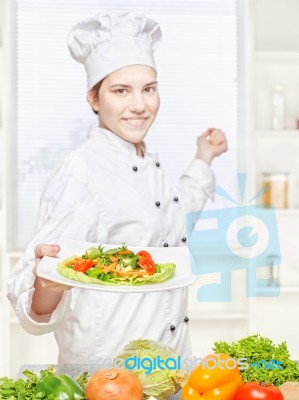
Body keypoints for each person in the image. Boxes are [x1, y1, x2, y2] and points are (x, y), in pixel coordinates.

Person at [7, 10, 227, 364]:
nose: (139, 105)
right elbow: (34, 302)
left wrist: (204, 158)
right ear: (94, 99)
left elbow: (172, 218)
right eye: (121, 91)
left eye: (149, 89)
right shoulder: (81, 174)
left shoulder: (145, 162)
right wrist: (46, 283)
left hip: (166, 368)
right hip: (107, 373)